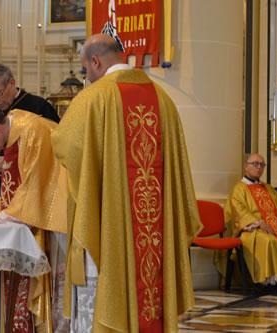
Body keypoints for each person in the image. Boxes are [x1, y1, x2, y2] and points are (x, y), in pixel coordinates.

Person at [50, 34, 203, 333]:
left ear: (95, 61)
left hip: (108, 224)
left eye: (86, 70)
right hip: (154, 230)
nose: (87, 77)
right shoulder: (164, 100)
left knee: (106, 290)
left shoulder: (93, 98)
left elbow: (65, 145)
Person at [0, 63, 60, 332]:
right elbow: (16, 188)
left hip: (48, 213)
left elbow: (34, 187)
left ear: (11, 83)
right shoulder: (7, 126)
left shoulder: (32, 124)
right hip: (15, 206)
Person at [220, 154, 277, 292]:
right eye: (255, 163)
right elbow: (238, 210)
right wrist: (258, 222)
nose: (259, 167)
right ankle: (269, 282)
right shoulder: (239, 188)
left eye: (262, 165)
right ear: (246, 166)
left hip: (275, 228)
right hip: (250, 231)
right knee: (270, 241)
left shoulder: (268, 188)